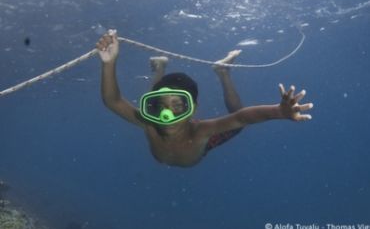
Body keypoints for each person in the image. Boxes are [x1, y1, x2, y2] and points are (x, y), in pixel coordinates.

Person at [96, 30, 313, 167]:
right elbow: (113, 101)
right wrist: (108, 62)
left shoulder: (202, 132)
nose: (166, 115)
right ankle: (161, 68)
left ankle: (223, 72)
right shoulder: (150, 121)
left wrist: (278, 112)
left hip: (203, 145)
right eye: (160, 107)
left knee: (237, 126)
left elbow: (242, 117)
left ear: (192, 109)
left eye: (178, 106)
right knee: (152, 98)